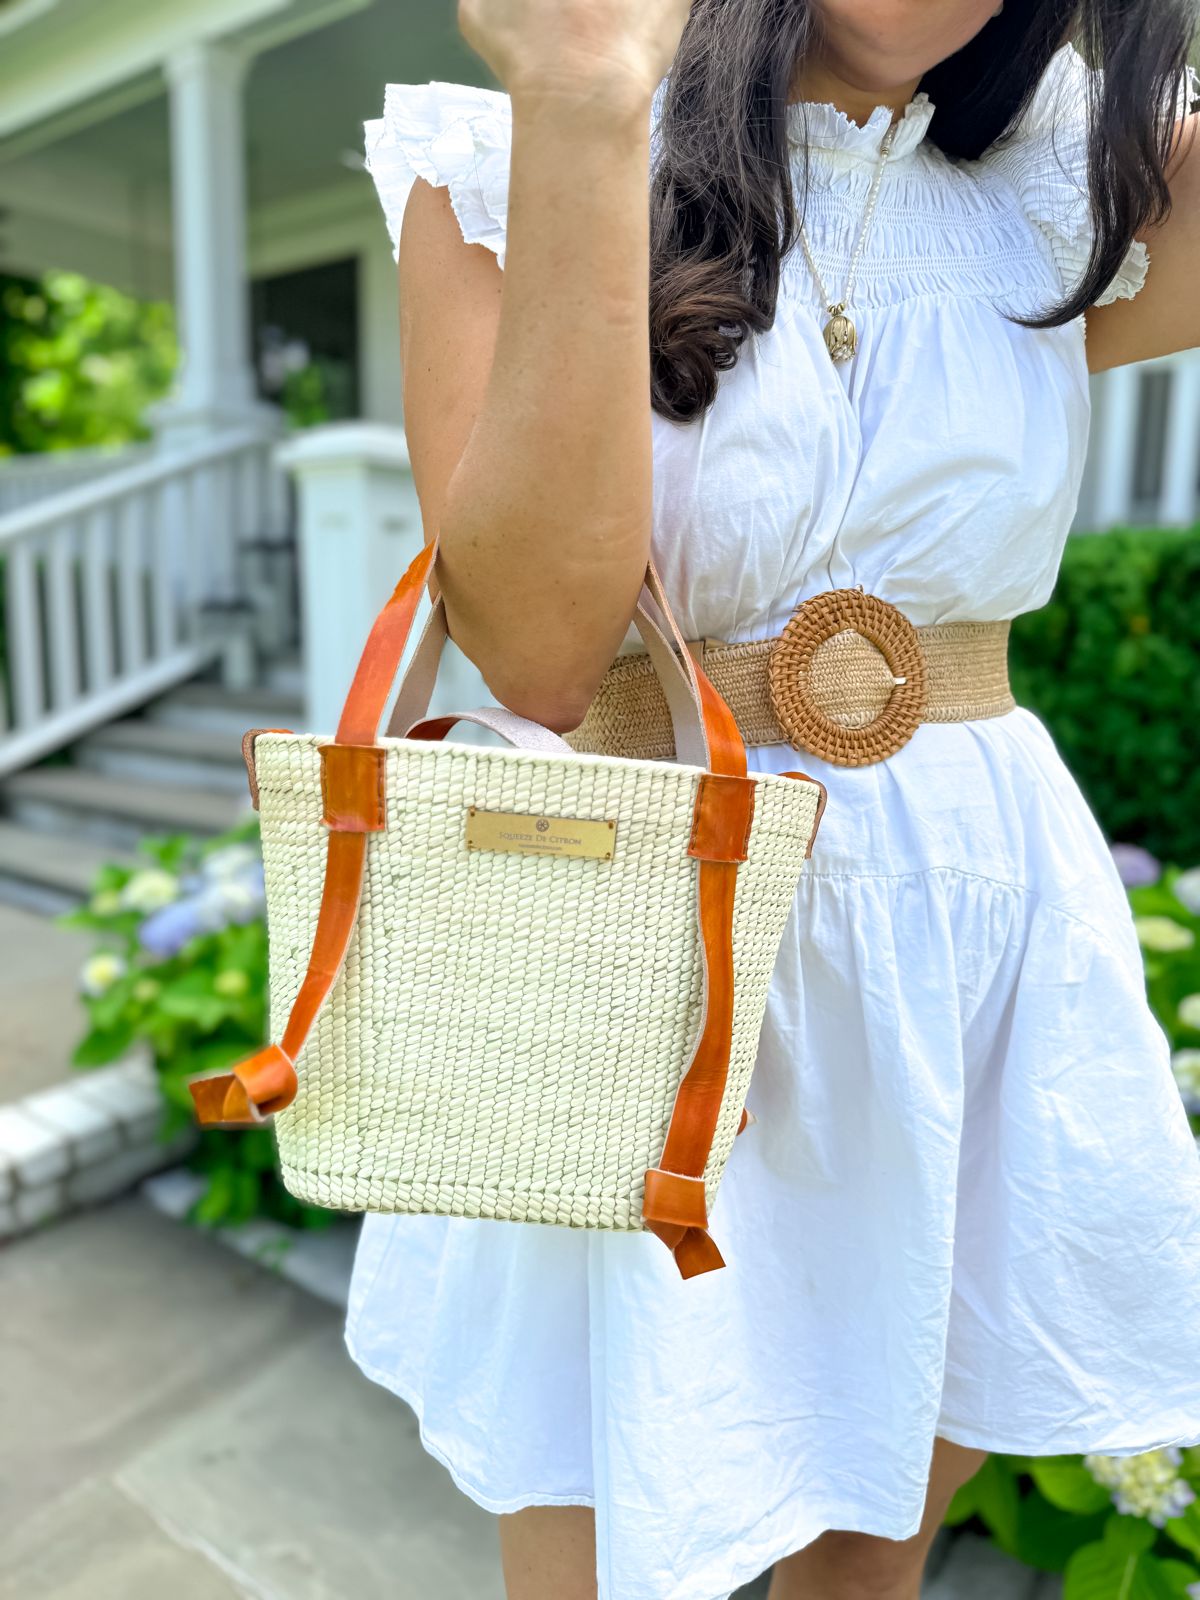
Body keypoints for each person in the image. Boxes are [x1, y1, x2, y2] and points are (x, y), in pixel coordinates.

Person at [344, 3, 1200, 1597]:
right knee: (598, 1540)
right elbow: (535, 650)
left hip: (960, 932)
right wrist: (594, 109)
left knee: (867, 1556)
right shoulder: (500, 158)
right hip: (641, 938)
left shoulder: (1071, 181)